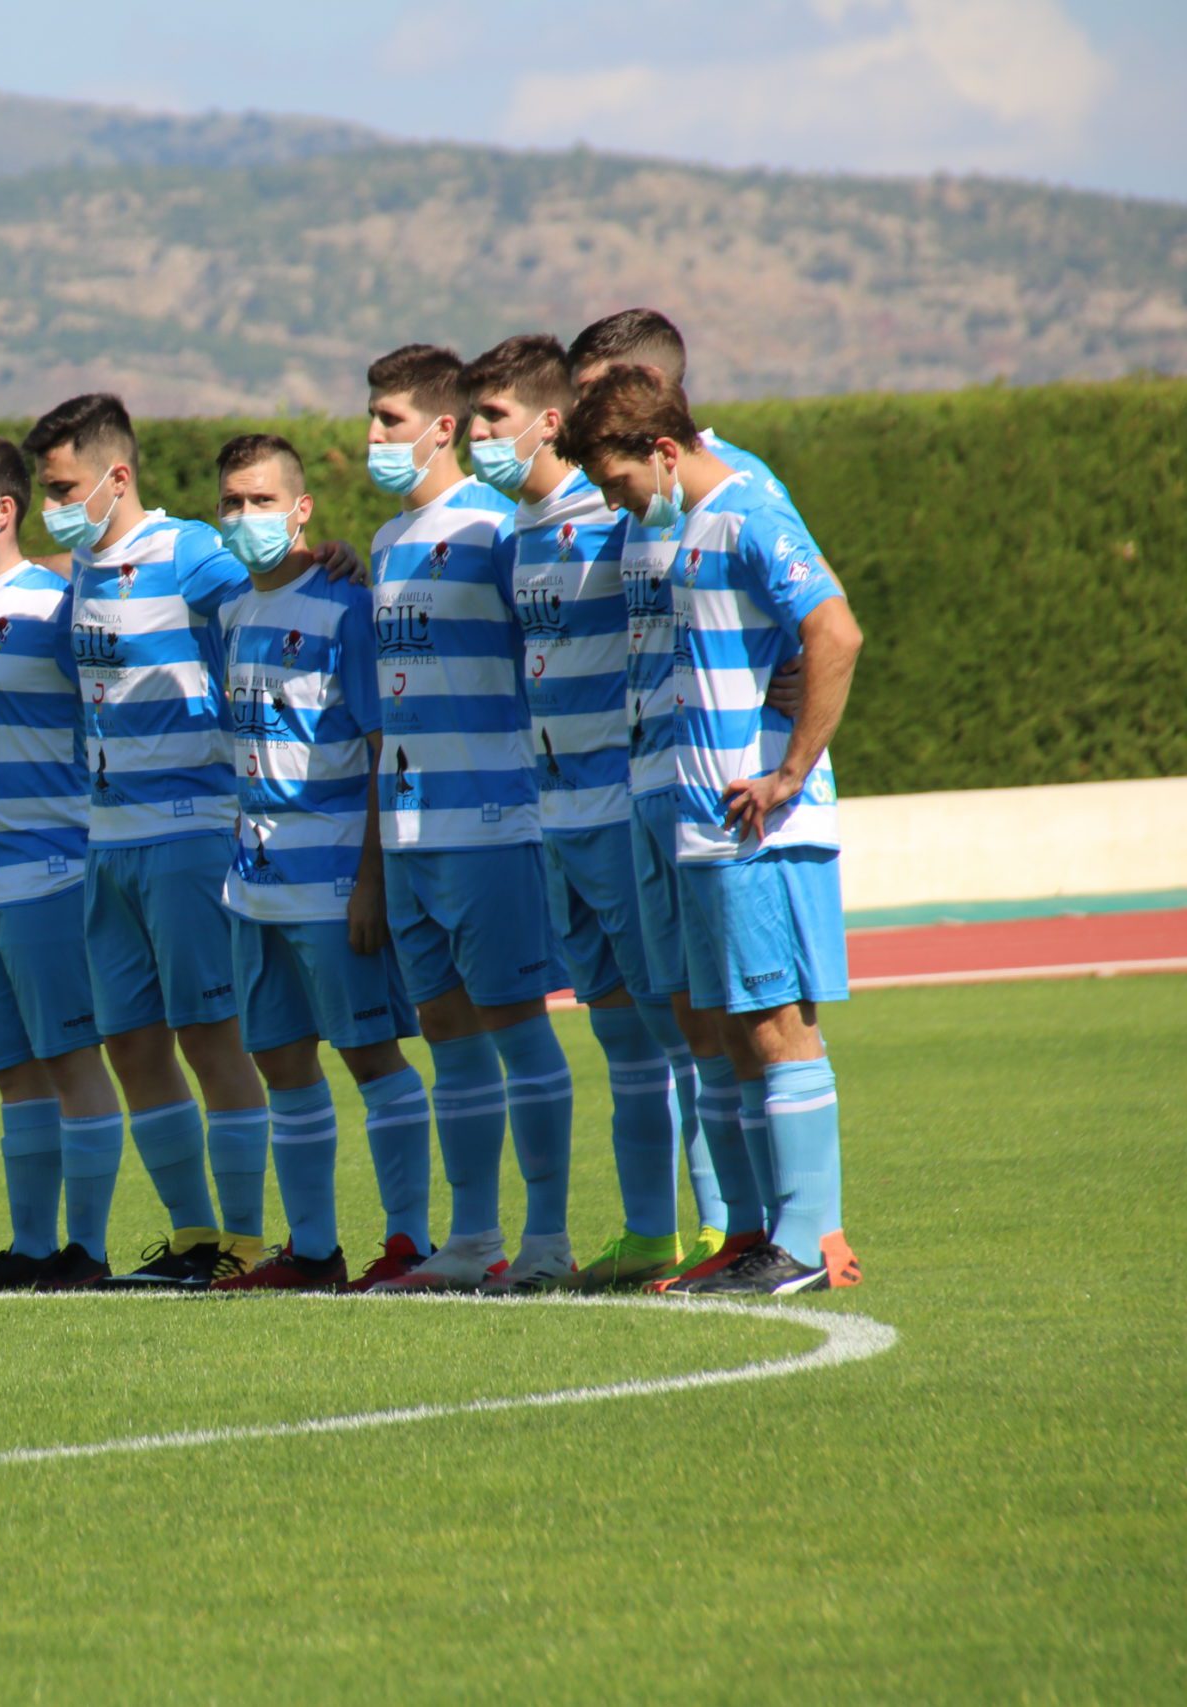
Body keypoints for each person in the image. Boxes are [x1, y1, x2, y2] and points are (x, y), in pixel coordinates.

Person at [558, 367, 863, 1294]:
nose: (613, 502)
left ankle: (809, 1240)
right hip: (702, 823)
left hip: (754, 824)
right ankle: (750, 1234)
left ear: (661, 449)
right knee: (731, 1035)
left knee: (776, 1027)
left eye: (616, 482)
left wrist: (789, 772)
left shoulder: (746, 509)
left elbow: (836, 633)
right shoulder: (687, 526)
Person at [23, 393, 271, 1288]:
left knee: (211, 1037)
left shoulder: (190, 552)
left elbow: (269, 602)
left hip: (191, 834)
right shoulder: (86, 568)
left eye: (64, 485)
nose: (55, 501)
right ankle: (193, 1235)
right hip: (108, 842)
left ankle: (245, 1243)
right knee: (131, 1046)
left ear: (116, 476)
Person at [352, 346, 576, 1295]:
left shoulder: (498, 526)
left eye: (390, 421)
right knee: (446, 1030)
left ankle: (549, 1238)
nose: (372, 437)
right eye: (371, 418)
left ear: (444, 428)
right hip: (410, 829)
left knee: (518, 1025)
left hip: (491, 821)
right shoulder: (382, 542)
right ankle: (473, 1237)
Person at [465, 333, 683, 1290]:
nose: (473, 436)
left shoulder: (617, 512)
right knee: (618, 1035)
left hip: (623, 808)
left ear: (549, 421)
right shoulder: (517, 530)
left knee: (679, 1030)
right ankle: (646, 1232)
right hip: (557, 817)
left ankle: (723, 1230)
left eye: (490, 419)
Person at [205, 434, 431, 1292]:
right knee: (281, 1063)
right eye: (231, 502)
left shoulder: (346, 607)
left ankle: (407, 1241)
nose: (245, 517)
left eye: (262, 501)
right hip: (253, 886)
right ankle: (310, 1250)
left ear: (301, 509)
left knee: (371, 1056)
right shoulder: (230, 610)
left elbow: (383, 751)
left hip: (337, 884)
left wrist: (374, 881)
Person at [0, 434, 127, 1291]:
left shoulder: (56, 604)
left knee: (74, 1062)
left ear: (0, 512)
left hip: (49, 871)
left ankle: (87, 1248)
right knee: (12, 1072)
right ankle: (33, 1246)